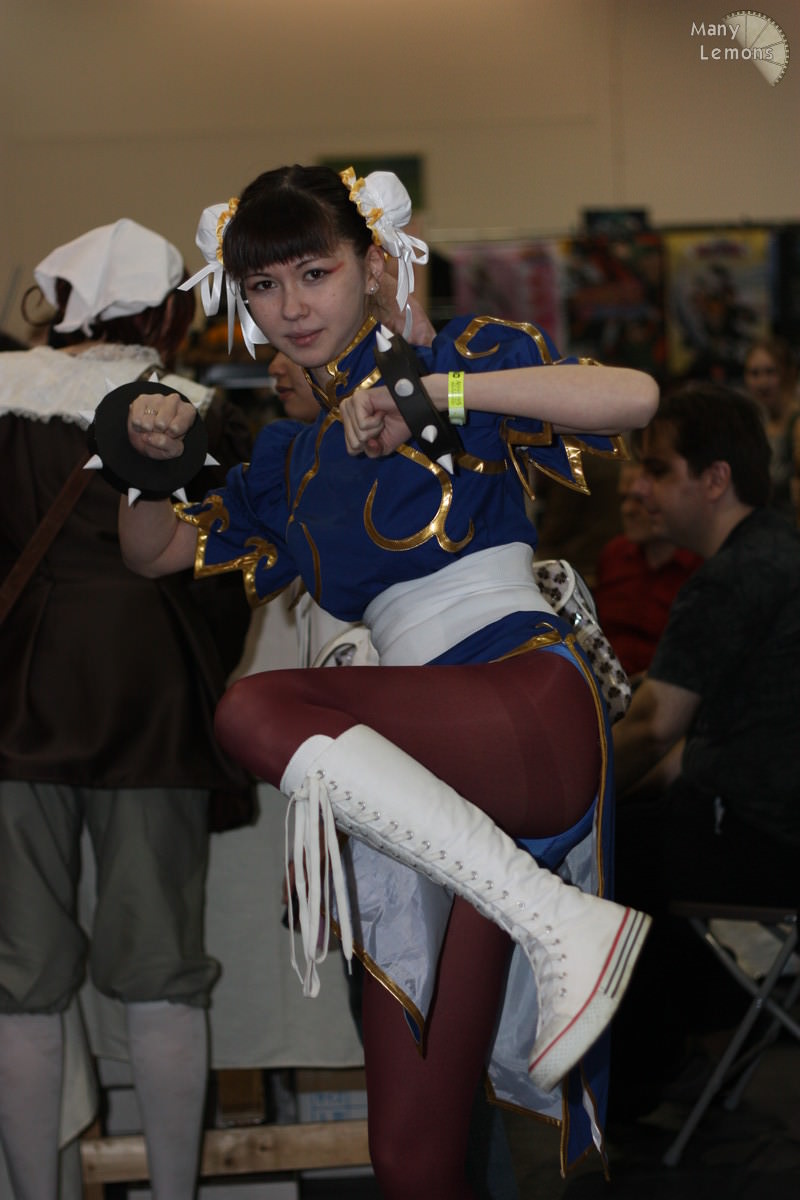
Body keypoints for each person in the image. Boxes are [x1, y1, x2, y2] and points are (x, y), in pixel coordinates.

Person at [116, 164, 658, 1198]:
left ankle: (558, 922)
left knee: (256, 707)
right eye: (263, 287)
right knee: (410, 1157)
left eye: (313, 273)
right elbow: (152, 554)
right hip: (428, 785)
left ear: (372, 266)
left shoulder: (458, 358)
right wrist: (147, 457)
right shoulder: (290, 456)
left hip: (519, 707)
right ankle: (550, 915)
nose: (290, 307)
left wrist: (432, 394)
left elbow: (631, 396)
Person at [0, 219, 252, 1200]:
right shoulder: (196, 411)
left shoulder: (3, 398)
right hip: (153, 698)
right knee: (162, 971)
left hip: (15, 702)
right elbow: (226, 572)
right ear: (168, 312)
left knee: (20, 981)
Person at [609, 381, 800, 1115]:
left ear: (715, 479)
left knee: (596, 856)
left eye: (659, 469)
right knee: (633, 841)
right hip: (770, 822)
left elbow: (654, 728)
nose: (641, 487)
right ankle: (703, 1039)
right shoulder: (779, 549)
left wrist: (571, 799)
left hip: (767, 838)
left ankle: (650, 1076)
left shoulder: (729, 579)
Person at [593, 460, 701, 681]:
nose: (627, 510)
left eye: (640, 500)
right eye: (623, 499)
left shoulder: (699, 565)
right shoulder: (614, 554)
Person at [742, 335, 799, 521]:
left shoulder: (796, 423)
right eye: (754, 373)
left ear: (788, 373)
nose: (762, 382)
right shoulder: (757, 423)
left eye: (770, 372)